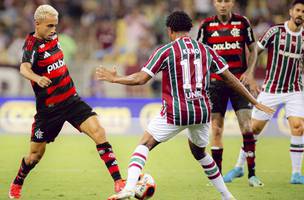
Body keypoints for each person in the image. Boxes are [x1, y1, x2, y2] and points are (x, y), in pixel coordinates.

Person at [96, 11, 273, 200]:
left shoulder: (166, 50)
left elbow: (140, 79)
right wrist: (254, 101)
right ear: (189, 29)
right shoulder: (207, 50)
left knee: (144, 144)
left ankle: (129, 188)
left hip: (176, 111)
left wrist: (115, 79)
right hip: (202, 113)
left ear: (170, 30)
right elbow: (233, 80)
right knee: (200, 153)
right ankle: (227, 196)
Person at [8, 5, 125, 199]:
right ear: (37, 24)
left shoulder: (53, 37)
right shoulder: (31, 45)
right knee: (35, 156)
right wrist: (37, 78)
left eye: (55, 25)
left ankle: (119, 182)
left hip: (71, 100)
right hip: (49, 110)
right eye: (50, 26)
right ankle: (19, 180)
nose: (54, 30)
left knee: (99, 132)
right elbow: (24, 68)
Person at [224, 0, 304, 184]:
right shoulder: (275, 31)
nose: (300, 14)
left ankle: (296, 174)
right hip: (271, 89)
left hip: (295, 89)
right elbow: (255, 51)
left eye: (303, 12)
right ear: (291, 12)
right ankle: (238, 168)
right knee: (253, 130)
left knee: (298, 127)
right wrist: (250, 74)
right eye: (298, 10)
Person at [196, 0, 263, 186]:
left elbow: (254, 49)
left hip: (239, 83)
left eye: (226, 1)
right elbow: (200, 53)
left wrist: (250, 73)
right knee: (216, 130)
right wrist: (204, 78)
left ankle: (252, 175)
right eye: (219, 1)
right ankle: (217, 179)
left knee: (247, 127)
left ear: (232, 3)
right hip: (216, 85)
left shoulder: (242, 23)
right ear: (214, 3)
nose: (223, 5)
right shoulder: (206, 26)